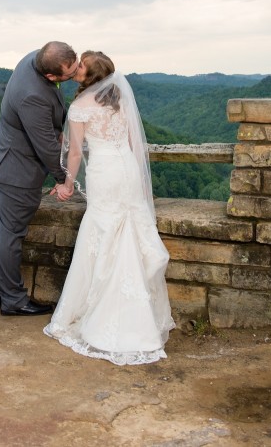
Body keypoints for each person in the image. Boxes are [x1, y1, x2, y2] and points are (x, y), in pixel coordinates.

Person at [44, 51, 175, 364]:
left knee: (105, 231)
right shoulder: (120, 101)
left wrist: (66, 184)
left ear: (89, 77)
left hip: (104, 172)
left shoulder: (79, 107)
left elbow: (75, 153)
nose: (77, 68)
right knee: (128, 229)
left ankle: (105, 318)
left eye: (82, 66)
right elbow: (134, 144)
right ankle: (141, 320)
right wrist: (142, 186)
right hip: (127, 170)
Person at [0, 41, 79, 316]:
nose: (73, 76)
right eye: (69, 75)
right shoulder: (32, 96)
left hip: (4, 158)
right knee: (11, 233)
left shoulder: (35, 58)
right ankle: (13, 299)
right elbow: (46, 145)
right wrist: (62, 178)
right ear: (50, 76)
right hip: (18, 169)